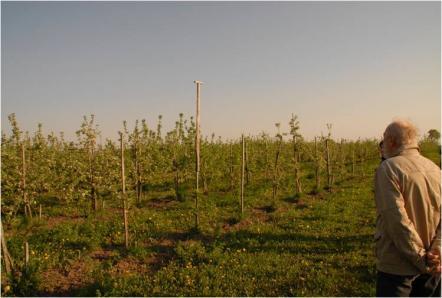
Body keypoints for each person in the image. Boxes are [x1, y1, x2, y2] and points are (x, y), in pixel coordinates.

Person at [374, 119, 441, 297]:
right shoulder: (435, 169)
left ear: (391, 141)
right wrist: (437, 251)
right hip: (434, 267)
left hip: (398, 268)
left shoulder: (388, 168)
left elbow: (396, 220)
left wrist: (421, 259)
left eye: (384, 139)